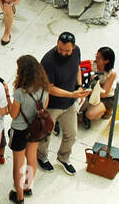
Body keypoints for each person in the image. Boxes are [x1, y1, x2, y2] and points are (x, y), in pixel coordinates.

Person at [38, 32, 91, 176]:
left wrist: (79, 86)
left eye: (67, 50)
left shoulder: (76, 51)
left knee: (72, 134)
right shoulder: (48, 61)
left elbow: (77, 68)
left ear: (73, 48)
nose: (63, 52)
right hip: (52, 105)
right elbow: (49, 87)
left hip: (69, 103)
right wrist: (72, 94)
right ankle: (41, 157)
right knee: (45, 134)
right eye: (60, 49)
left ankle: (63, 157)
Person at [7, 54, 48, 204]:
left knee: (18, 164)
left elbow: (13, 114)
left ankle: (19, 196)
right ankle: (28, 186)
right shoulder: (45, 89)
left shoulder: (20, 93)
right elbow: (44, 108)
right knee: (31, 159)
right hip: (36, 129)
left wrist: (6, 95)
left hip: (20, 130)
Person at [81, 46, 118, 127]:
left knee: (90, 114)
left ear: (106, 61)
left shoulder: (111, 74)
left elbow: (104, 93)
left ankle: (105, 111)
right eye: (96, 56)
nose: (96, 59)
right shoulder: (92, 64)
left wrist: (89, 91)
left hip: (105, 98)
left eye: (99, 58)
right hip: (91, 91)